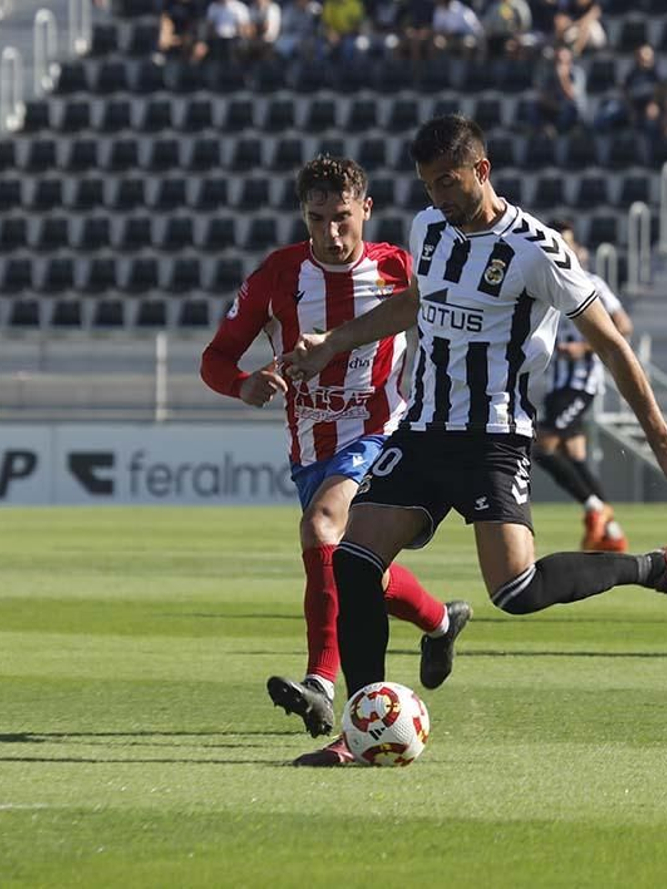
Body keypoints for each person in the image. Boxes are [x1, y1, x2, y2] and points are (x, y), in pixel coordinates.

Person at [280, 116, 667, 762]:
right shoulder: (429, 228)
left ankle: (657, 567)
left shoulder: (536, 250)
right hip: (423, 429)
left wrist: (660, 439)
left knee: (516, 591)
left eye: (448, 182)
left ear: (481, 171)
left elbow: (610, 342)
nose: (438, 197)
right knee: (352, 560)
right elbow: (413, 303)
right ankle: (359, 732)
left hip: (493, 437)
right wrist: (333, 343)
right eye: (428, 185)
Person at [199, 155, 472, 765]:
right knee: (355, 571)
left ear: (365, 210)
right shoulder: (278, 274)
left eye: (342, 217)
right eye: (317, 219)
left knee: (321, 527)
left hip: (384, 434)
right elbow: (215, 358)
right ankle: (439, 621)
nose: (330, 232)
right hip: (310, 448)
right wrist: (242, 384)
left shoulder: (397, 269)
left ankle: (321, 684)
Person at [533, 219, 632, 552]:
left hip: (579, 384)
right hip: (556, 384)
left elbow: (623, 326)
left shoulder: (592, 283)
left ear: (579, 250)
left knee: (541, 445)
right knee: (574, 455)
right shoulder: (543, 283)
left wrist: (583, 348)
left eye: (567, 243)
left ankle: (595, 509)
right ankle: (612, 534)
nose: (562, 248)